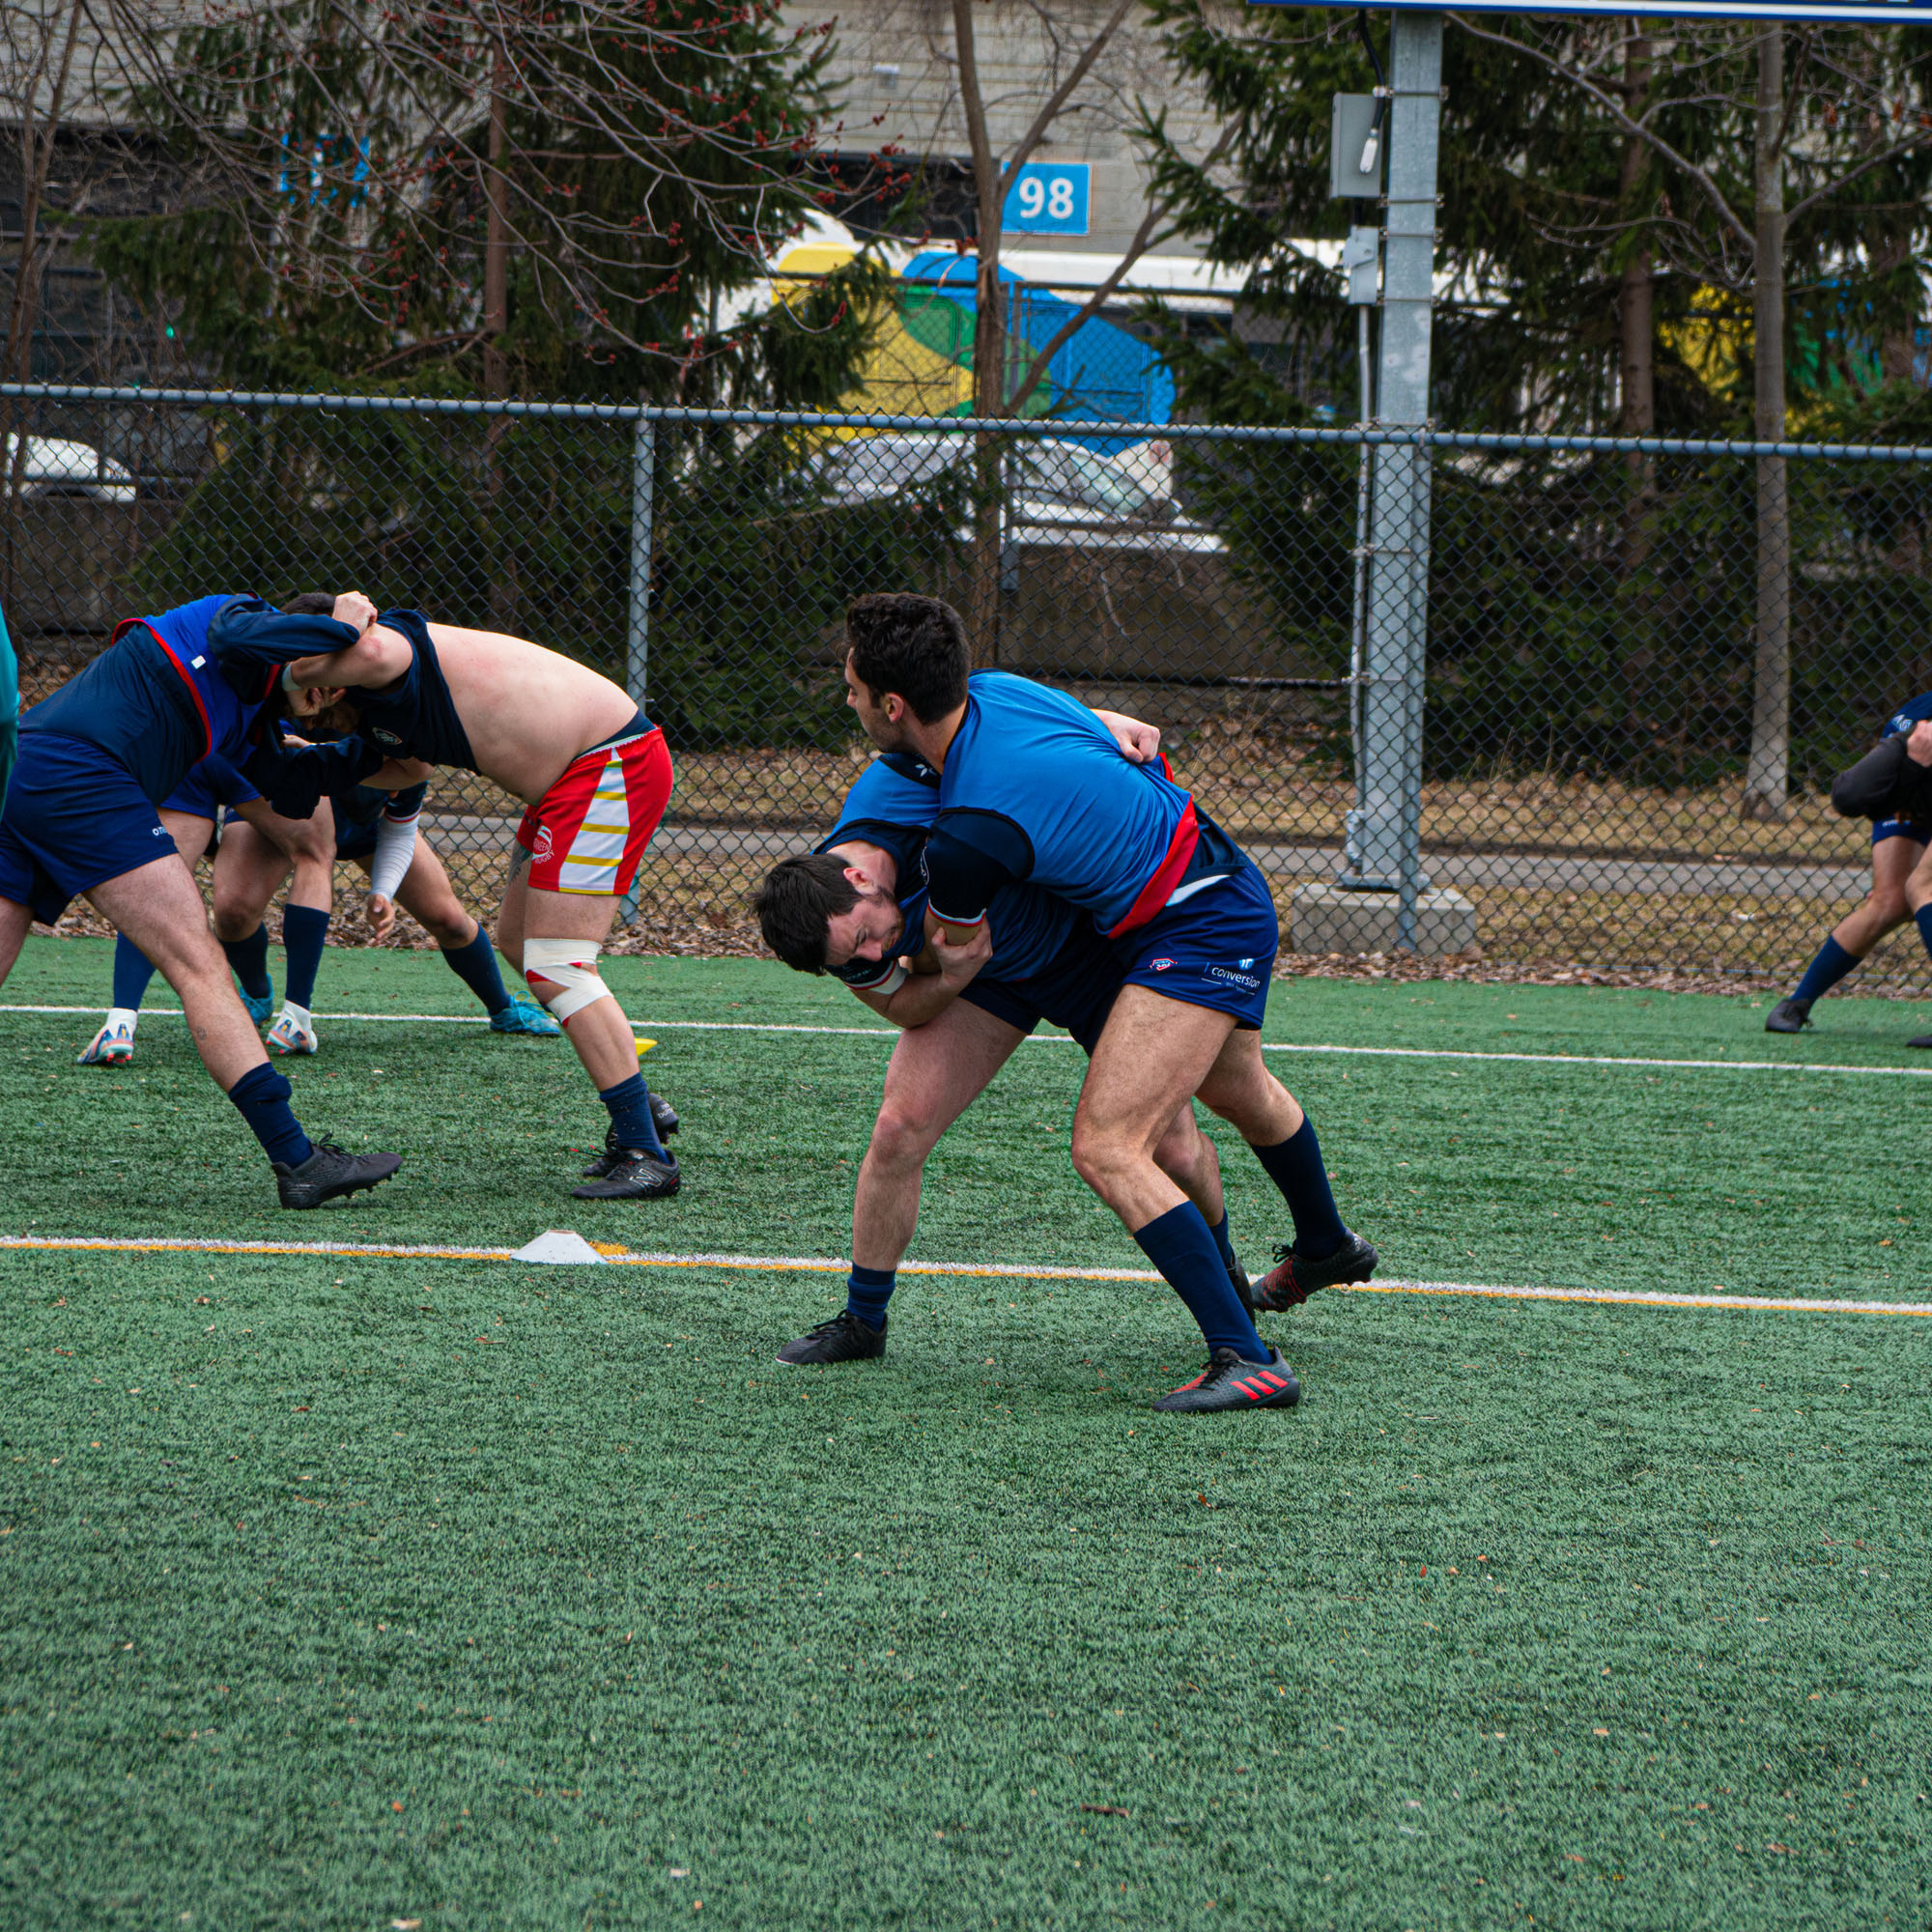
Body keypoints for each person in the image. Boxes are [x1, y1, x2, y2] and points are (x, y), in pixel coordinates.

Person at [832, 593, 1378, 1415]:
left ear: (894, 704)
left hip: (1197, 920)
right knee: (1239, 1092)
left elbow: (958, 956)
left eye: (853, 687)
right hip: (1184, 899)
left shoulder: (972, 831)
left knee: (1109, 1144)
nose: (847, 699)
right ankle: (1327, 1244)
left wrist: (878, 965)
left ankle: (1246, 1356)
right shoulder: (995, 691)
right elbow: (1113, 738)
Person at [755, 742, 1254, 1366]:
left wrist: (1099, 722)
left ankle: (1229, 1274)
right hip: (989, 980)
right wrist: (953, 978)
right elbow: (902, 1004)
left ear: (857, 878)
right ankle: (864, 1320)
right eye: (850, 960)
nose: (873, 958)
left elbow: (1003, 732)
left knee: (1174, 1148)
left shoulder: (900, 786)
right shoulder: (832, 937)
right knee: (898, 1127)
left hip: (1084, 955)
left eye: (863, 939)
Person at [0, 592, 404, 1208]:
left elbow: (292, 791)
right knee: (200, 964)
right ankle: (299, 1161)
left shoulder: (247, 720)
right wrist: (336, 631)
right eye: (332, 682)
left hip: (31, 772)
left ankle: (301, 1162)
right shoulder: (230, 620)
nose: (324, 703)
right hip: (79, 775)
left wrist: (395, 757)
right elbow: (240, 639)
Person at [269, 599, 678, 1200]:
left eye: (307, 693)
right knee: (516, 941)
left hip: (608, 765)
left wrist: (291, 671)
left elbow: (371, 644)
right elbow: (407, 766)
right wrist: (317, 763)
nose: (308, 715)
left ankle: (646, 1150)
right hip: (573, 778)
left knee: (559, 962)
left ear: (323, 668)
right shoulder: (379, 701)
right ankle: (640, 1103)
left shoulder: (382, 654)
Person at [78, 753, 560, 1064]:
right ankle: (260, 995)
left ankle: (502, 1008)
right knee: (231, 910)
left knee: (448, 919)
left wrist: (383, 891)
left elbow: (399, 825)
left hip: (368, 831)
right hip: (289, 817)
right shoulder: (322, 726)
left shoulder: (415, 749)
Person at [1766, 687, 1932, 1035]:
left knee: (1924, 886)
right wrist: (1913, 765)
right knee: (1891, 901)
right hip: (1919, 776)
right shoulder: (1910, 724)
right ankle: (1798, 1002)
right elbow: (1855, 798)